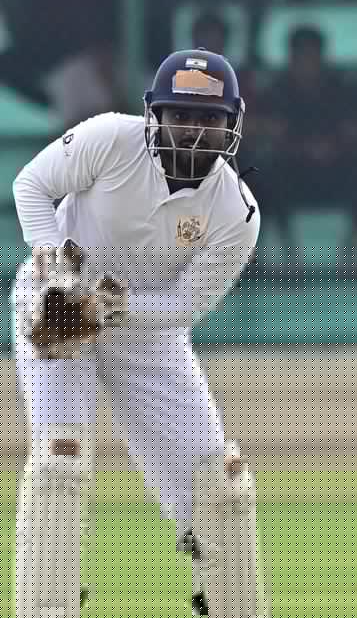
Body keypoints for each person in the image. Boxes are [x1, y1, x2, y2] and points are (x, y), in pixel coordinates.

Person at [10, 48, 266, 617]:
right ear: (155, 114)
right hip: (56, 306)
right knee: (59, 462)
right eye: (182, 115)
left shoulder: (236, 212)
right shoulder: (109, 138)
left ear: (232, 122)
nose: (195, 132)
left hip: (147, 330)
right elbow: (31, 185)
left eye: (209, 118)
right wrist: (56, 269)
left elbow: (183, 305)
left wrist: (108, 308)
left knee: (221, 486)